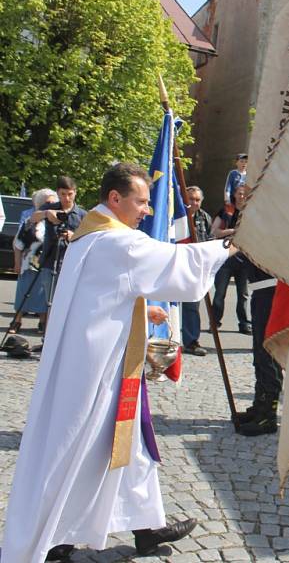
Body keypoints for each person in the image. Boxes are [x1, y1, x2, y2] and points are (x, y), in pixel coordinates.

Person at [0, 163, 236, 562]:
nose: (146, 209)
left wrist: (141, 311)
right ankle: (53, 541)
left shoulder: (91, 237)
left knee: (129, 442)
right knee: (85, 447)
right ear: (115, 198)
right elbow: (175, 264)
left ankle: (145, 524)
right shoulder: (116, 243)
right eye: (140, 201)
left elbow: (103, 298)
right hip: (97, 373)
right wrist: (226, 245)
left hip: (97, 361)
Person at [29, 175, 87, 327]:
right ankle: (48, 339)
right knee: (51, 303)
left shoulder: (82, 214)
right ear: (58, 193)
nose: (66, 198)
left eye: (70, 194)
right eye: (63, 194)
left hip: (72, 264)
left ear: (75, 192)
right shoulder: (51, 208)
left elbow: (90, 239)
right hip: (49, 261)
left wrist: (73, 236)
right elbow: (32, 218)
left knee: (69, 304)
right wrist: (46, 214)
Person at [235, 257, 284, 436]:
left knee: (268, 354)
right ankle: (260, 406)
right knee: (260, 354)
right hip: (262, 291)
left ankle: (268, 416)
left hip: (272, 292)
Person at [9, 188, 58, 334]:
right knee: (23, 293)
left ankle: (43, 323)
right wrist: (17, 263)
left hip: (47, 265)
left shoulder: (56, 222)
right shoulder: (29, 222)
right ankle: (16, 321)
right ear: (39, 204)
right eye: (47, 203)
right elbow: (18, 244)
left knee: (44, 295)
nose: (51, 205)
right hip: (28, 263)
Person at [211, 184, 251, 334]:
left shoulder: (251, 212)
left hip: (244, 259)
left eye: (244, 194)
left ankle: (244, 324)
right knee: (220, 293)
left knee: (243, 295)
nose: (242, 196)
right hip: (225, 258)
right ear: (234, 195)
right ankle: (215, 323)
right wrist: (232, 231)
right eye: (239, 194)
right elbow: (215, 232)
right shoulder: (225, 211)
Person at [181, 186, 213, 356]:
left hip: (195, 269)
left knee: (192, 306)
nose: (193, 202)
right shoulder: (176, 216)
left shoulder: (204, 217)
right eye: (190, 199)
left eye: (197, 200)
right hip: (175, 266)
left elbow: (209, 240)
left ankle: (191, 342)